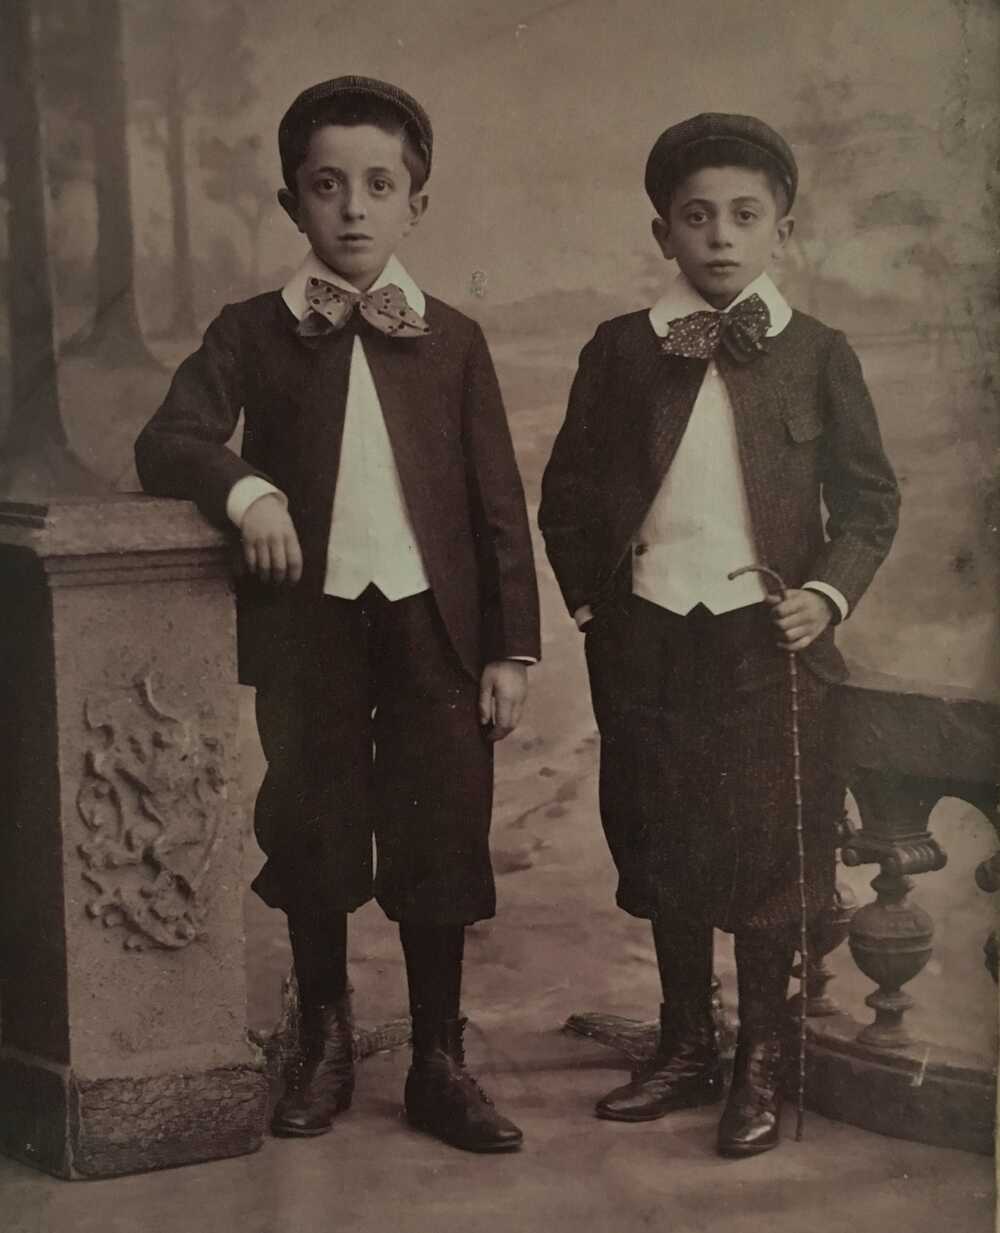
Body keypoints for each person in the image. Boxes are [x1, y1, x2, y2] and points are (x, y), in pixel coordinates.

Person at [135, 76, 540, 1154]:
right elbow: (169, 438)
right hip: (308, 629)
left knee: (441, 823)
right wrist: (247, 493)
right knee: (312, 823)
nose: (353, 209)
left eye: (379, 186)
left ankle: (438, 1058)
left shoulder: (453, 340)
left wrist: (510, 647)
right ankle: (322, 1035)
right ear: (291, 204)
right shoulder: (252, 332)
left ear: (415, 203)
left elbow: (498, 505)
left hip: (434, 629)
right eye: (327, 186)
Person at [539, 112, 899, 1157]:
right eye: (696, 217)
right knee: (664, 837)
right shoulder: (619, 350)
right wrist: (594, 601)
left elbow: (870, 504)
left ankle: (761, 1059)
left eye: (745, 215)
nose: (721, 236)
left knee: (770, 853)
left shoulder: (819, 354)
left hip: (765, 642)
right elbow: (567, 493)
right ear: (663, 233)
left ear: (782, 229)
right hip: (648, 636)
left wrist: (825, 595)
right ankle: (686, 1043)